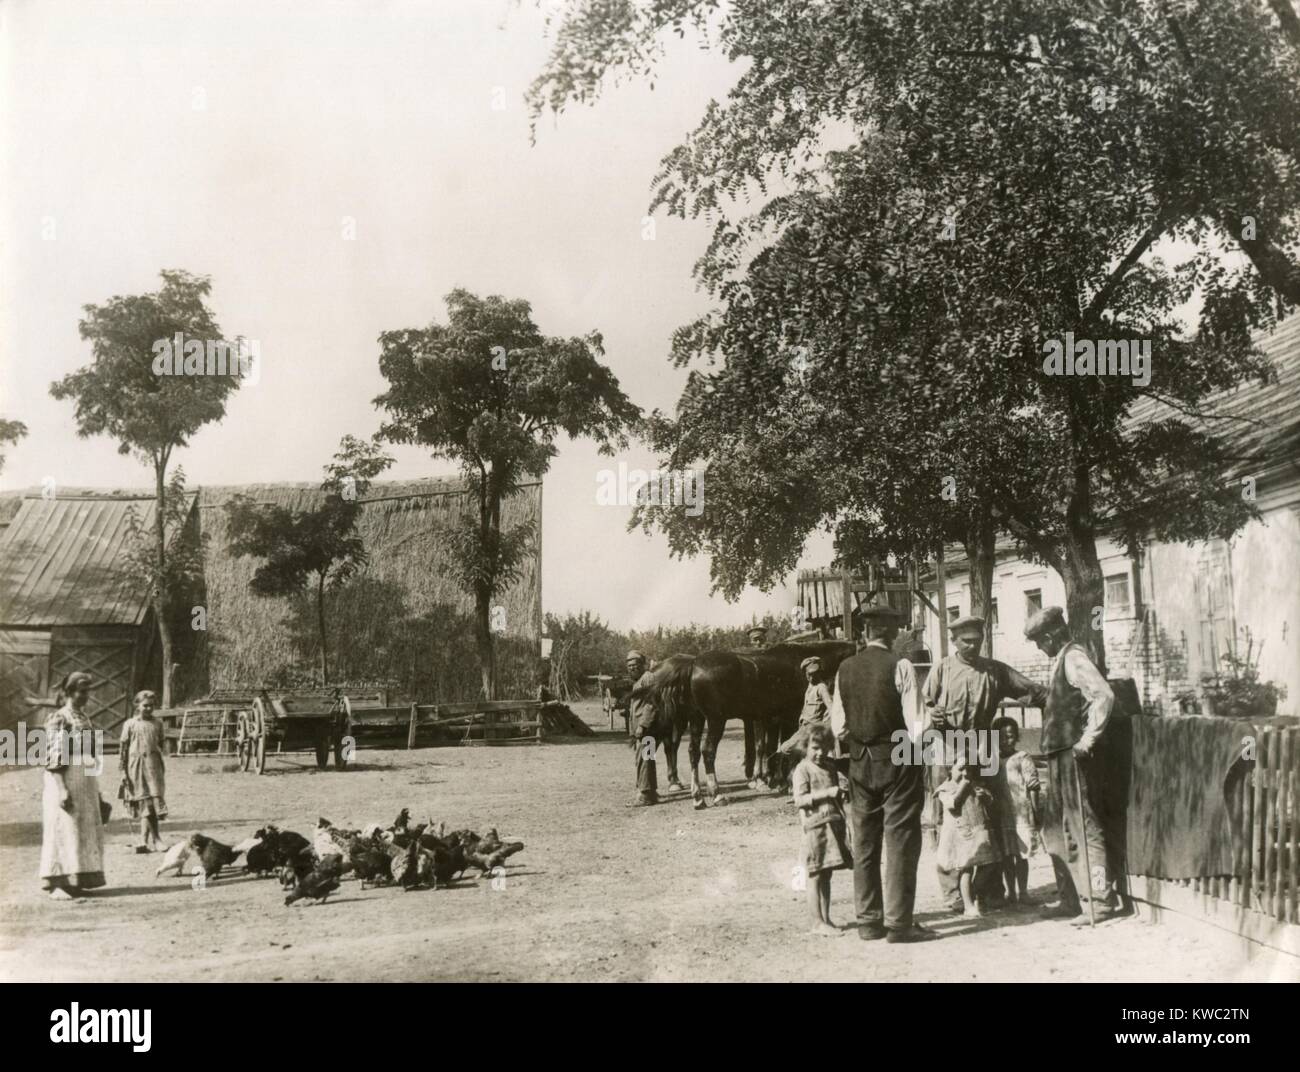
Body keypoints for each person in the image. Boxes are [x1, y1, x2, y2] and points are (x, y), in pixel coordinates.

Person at [923, 615, 1046, 913]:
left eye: (977, 641)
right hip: (946, 750)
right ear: (954, 641)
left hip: (981, 750)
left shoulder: (994, 670)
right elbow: (924, 705)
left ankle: (988, 890)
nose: (972, 646)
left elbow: (1030, 690)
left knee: (986, 817)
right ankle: (954, 893)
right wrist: (933, 715)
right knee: (951, 821)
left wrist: (1056, 701)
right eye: (966, 641)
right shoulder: (942, 668)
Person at [829, 604, 937, 943]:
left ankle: (868, 922)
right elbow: (918, 726)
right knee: (901, 839)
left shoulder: (844, 669)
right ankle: (899, 925)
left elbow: (840, 727)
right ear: (891, 633)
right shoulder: (900, 665)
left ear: (864, 632)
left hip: (860, 763)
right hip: (898, 759)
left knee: (864, 841)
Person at [1023, 606, 1118, 924]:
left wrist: (1087, 740)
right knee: (1058, 830)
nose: (1039, 648)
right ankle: (1071, 899)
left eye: (1039, 641)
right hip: (1056, 756)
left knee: (1085, 829)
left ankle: (1100, 900)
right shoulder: (1060, 660)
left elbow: (1103, 696)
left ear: (1050, 635)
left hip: (1072, 755)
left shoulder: (1075, 657)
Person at [39, 672, 106, 900]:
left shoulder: (85, 719)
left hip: (84, 780)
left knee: (81, 830)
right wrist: (62, 789)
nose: (86, 695)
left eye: (88, 691)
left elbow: (90, 756)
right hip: (64, 778)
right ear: (68, 692)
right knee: (63, 828)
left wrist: (96, 790)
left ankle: (76, 880)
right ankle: (57, 883)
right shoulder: (59, 718)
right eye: (81, 691)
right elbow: (53, 757)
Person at [792, 723, 852, 936]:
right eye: (814, 748)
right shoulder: (802, 769)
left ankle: (826, 918)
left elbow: (835, 792)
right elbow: (799, 800)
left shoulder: (830, 766)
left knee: (826, 873)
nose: (819, 753)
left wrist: (840, 793)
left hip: (831, 826)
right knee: (815, 874)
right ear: (805, 747)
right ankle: (816, 922)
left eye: (823, 748)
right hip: (814, 827)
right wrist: (827, 793)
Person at [934, 764, 997, 917]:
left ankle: (971, 894)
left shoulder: (976, 785)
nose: (965, 773)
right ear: (950, 770)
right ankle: (968, 905)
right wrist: (964, 784)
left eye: (968, 769)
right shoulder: (945, 788)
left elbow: (989, 803)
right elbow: (952, 804)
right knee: (966, 868)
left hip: (978, 829)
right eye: (960, 769)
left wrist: (986, 797)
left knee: (989, 864)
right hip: (960, 833)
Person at [990, 716, 1040, 904]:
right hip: (1001, 814)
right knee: (1006, 855)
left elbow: (1033, 785)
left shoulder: (1022, 757)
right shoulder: (992, 761)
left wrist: (1035, 810)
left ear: (1017, 737)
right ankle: (1010, 891)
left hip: (1021, 813)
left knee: (1022, 855)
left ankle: (1023, 891)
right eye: (1001, 737)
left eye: (1010, 736)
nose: (1006, 740)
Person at [119, 690, 168, 853]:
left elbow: (160, 743)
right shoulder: (130, 724)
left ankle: (146, 840)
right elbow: (123, 749)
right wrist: (123, 771)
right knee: (145, 802)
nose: (148, 708)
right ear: (137, 705)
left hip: (153, 765)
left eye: (151, 706)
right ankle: (154, 839)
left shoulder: (158, 723)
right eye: (145, 705)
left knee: (154, 802)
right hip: (136, 765)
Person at [777, 656, 834, 760]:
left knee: (785, 748)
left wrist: (823, 728)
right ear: (805, 673)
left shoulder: (821, 687)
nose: (812, 678)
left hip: (812, 729)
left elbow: (831, 709)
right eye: (809, 674)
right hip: (804, 727)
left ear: (819, 672)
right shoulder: (810, 686)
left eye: (815, 674)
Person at [625, 651, 661, 807]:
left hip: (647, 728)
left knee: (644, 758)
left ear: (642, 665)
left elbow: (652, 703)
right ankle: (651, 791)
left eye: (635, 665)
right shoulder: (638, 681)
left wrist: (642, 725)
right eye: (629, 666)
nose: (632, 668)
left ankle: (645, 794)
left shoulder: (647, 678)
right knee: (647, 758)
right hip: (643, 728)